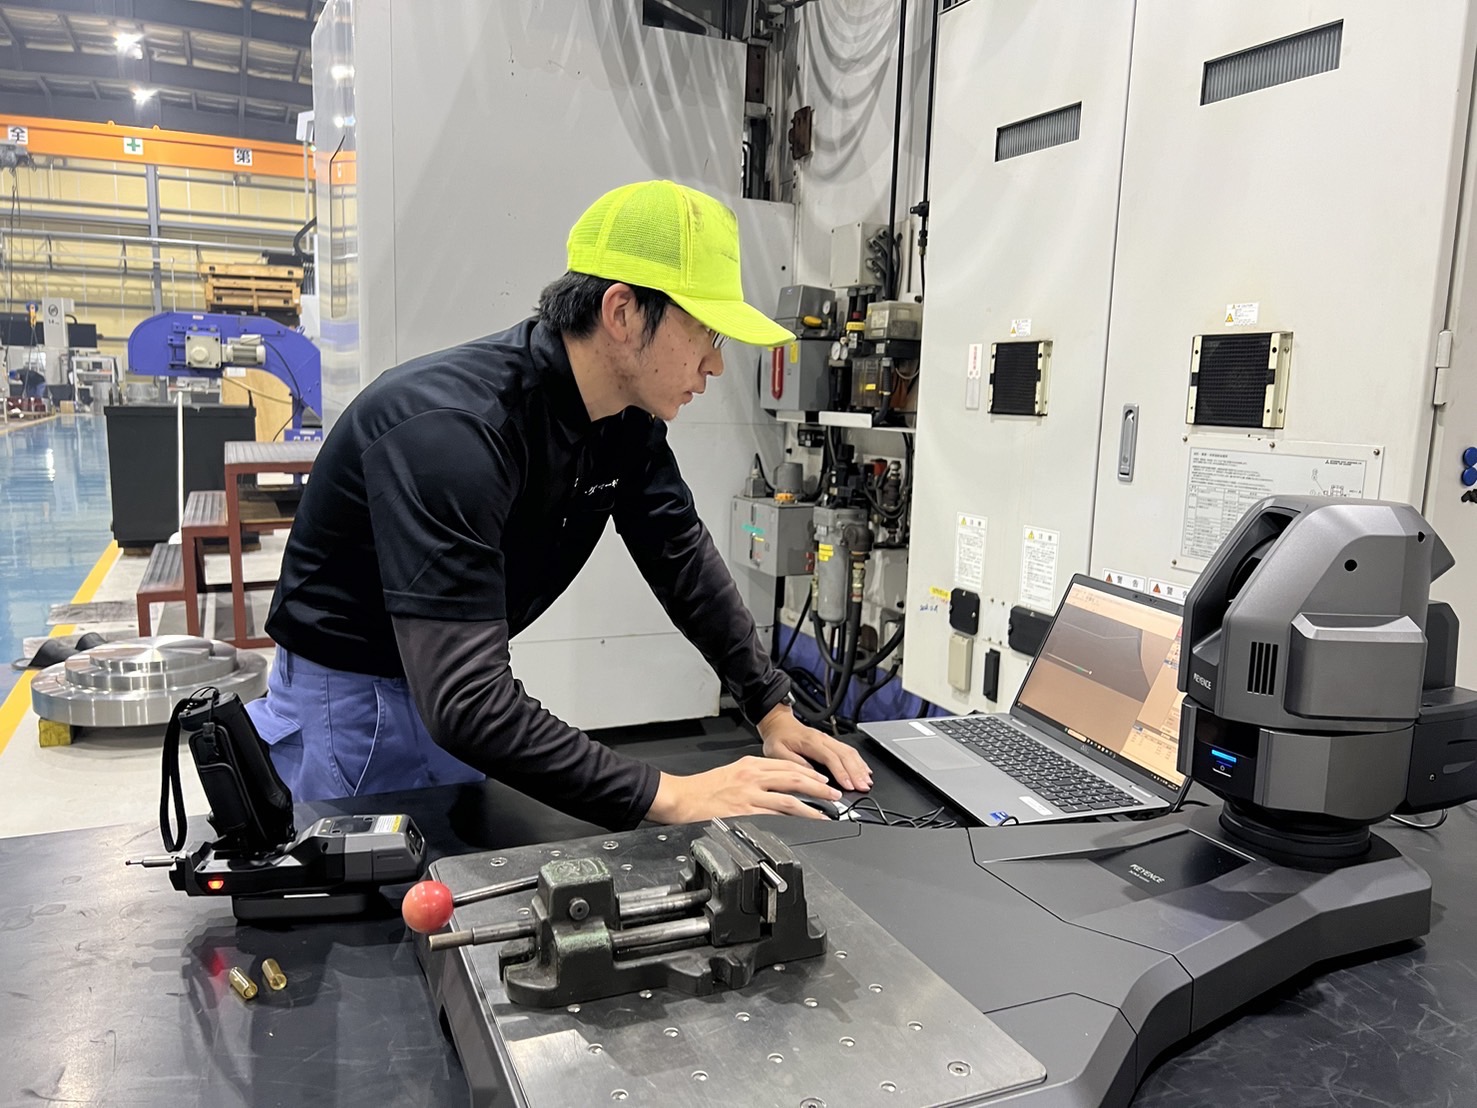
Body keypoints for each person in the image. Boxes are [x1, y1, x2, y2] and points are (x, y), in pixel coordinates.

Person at [247, 179, 872, 829]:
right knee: (372, 888)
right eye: (706, 333)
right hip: (355, 701)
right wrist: (671, 795)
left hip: (442, 684)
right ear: (622, 313)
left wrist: (771, 709)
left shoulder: (622, 423)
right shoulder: (453, 432)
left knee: (455, 867)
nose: (715, 365)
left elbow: (679, 556)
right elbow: (466, 701)